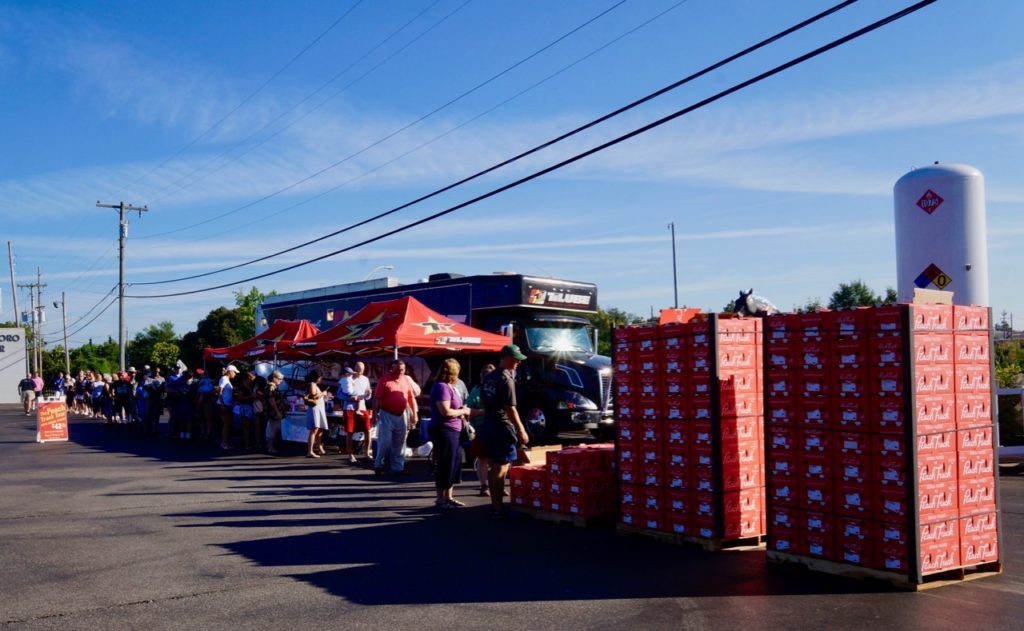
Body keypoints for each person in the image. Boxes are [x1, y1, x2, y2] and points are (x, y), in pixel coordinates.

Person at [479, 344, 530, 517]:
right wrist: (521, 429)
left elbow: (485, 401)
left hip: (489, 424)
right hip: (501, 426)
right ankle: (498, 507)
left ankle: (495, 505)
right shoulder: (505, 378)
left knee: (495, 466)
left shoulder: (489, 377)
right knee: (501, 467)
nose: (518, 363)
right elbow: (510, 408)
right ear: (506, 358)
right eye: (515, 359)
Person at [430, 358, 472, 508]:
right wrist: (463, 411)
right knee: (445, 463)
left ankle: (449, 497)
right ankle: (440, 499)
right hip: (444, 430)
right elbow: (445, 411)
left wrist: (463, 410)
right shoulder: (441, 387)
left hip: (455, 429)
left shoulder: (451, 387)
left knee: (454, 463)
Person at [371, 359, 418, 476]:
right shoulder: (384, 380)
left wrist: (414, 415)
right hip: (386, 414)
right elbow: (376, 398)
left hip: (401, 415)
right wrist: (374, 415)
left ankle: (398, 467)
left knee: (400, 442)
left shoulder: (406, 380)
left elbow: (411, 398)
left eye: (402, 370)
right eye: (398, 370)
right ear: (392, 369)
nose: (400, 372)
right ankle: (378, 464)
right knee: (385, 442)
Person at [466, 363, 496, 496]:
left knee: (497, 459)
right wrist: (486, 411)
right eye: (484, 375)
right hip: (481, 428)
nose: (486, 377)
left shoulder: (499, 389)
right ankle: (484, 486)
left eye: (489, 375)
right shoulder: (476, 390)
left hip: (497, 428)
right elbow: (468, 411)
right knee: (483, 458)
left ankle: (496, 485)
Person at [339, 363, 373, 464]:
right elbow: (339, 394)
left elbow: (367, 395)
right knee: (350, 432)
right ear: (354, 369)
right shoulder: (347, 378)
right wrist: (349, 398)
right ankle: (350, 455)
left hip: (362, 407)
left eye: (362, 369)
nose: (360, 372)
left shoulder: (365, 379)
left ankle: (366, 453)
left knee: (368, 430)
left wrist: (369, 395)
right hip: (349, 408)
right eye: (358, 369)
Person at [304, 370, 330, 458]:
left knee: (319, 429)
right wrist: (323, 393)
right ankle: (310, 451)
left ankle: (319, 448)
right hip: (315, 409)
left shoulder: (314, 385)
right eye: (320, 377)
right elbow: (314, 396)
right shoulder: (312, 384)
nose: (321, 379)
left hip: (319, 409)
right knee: (314, 429)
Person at [264, 370, 287, 455]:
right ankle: (270, 447)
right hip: (273, 412)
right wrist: (277, 411)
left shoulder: (272, 386)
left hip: (273, 411)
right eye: (280, 379)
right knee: (273, 429)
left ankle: (270, 445)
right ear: (274, 378)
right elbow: (272, 401)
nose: (281, 381)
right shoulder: (271, 387)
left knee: (274, 429)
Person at [234, 371, 257, 450]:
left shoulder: (248, 386)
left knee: (250, 425)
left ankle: (249, 442)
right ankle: (247, 444)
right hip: (245, 407)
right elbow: (240, 398)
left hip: (250, 406)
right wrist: (251, 396)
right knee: (246, 426)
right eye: (252, 379)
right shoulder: (242, 386)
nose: (252, 381)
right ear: (248, 378)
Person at [218, 365, 238, 450]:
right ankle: (224, 443)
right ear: (230, 371)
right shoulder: (224, 379)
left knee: (228, 425)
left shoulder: (227, 380)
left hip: (227, 404)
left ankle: (225, 442)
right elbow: (220, 392)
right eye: (234, 372)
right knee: (226, 425)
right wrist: (222, 404)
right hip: (224, 405)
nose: (235, 374)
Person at [195, 369, 215, 440]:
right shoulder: (200, 381)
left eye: (204, 374)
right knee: (201, 418)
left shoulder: (210, 381)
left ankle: (207, 433)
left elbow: (212, 390)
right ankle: (203, 432)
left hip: (207, 401)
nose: (202, 375)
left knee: (207, 418)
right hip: (201, 401)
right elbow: (198, 391)